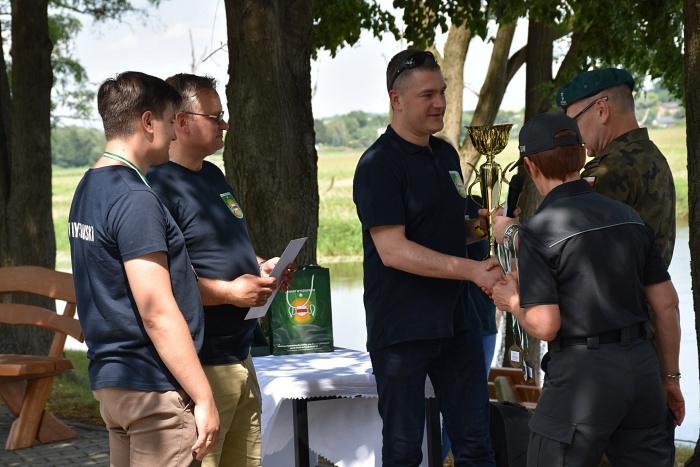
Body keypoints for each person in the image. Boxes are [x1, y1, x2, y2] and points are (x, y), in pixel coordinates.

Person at [491, 111, 684, 466]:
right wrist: (669, 378)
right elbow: (667, 305)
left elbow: (545, 324)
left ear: (530, 166)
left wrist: (512, 301)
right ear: (582, 155)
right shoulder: (630, 218)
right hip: (642, 366)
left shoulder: (539, 231)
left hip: (582, 377)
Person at [353, 48, 502, 466]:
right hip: (403, 329)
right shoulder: (378, 164)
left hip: (458, 323)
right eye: (427, 95)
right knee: (404, 452)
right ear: (396, 99)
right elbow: (393, 250)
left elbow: (450, 230)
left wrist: (489, 228)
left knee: (476, 444)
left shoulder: (447, 154)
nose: (440, 103)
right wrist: (472, 270)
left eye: (443, 92)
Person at [68, 71, 219, 466]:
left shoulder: (88, 187)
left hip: (114, 386)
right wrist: (203, 397)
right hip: (153, 391)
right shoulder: (135, 198)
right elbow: (157, 312)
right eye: (169, 122)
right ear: (148, 122)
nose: (172, 135)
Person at [148, 73, 294, 467]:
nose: (224, 125)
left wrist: (262, 268)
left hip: (240, 355)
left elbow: (221, 250)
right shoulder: (157, 188)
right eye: (214, 117)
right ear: (181, 122)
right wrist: (231, 293)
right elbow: (164, 286)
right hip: (203, 363)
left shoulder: (213, 175)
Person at [556, 67, 676, 267]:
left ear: (601, 110)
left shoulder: (610, 169)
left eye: (573, 123)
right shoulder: (653, 155)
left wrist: (514, 234)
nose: (572, 134)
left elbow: (571, 250)